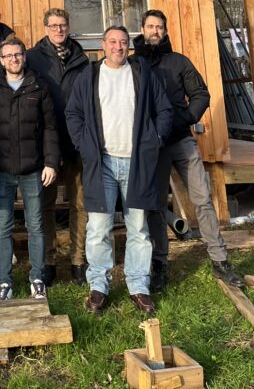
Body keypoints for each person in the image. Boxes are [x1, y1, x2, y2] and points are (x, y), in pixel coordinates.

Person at [133, 9, 246, 290]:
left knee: (202, 199)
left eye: (159, 27)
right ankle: (159, 263)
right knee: (157, 206)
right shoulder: (134, 64)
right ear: (142, 29)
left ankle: (219, 260)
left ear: (165, 31)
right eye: (150, 26)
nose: (155, 31)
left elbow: (201, 94)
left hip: (182, 140)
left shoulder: (179, 62)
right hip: (153, 145)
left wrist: (185, 118)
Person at [65, 25, 173, 316]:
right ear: (103, 45)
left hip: (136, 163)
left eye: (123, 42)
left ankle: (138, 285)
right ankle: (98, 285)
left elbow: (164, 110)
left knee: (138, 227)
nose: (118, 47)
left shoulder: (142, 73)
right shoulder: (89, 76)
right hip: (102, 162)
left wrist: (155, 139)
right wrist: (84, 145)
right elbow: (73, 113)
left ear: (129, 46)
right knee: (98, 227)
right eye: (112, 42)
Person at [0, 36, 59, 301]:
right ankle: (4, 282)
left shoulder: (38, 86)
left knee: (36, 225)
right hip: (1, 170)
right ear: (1, 61)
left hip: (33, 169)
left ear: (24, 57)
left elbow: (50, 128)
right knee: (3, 227)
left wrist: (51, 162)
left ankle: (37, 278)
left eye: (18, 55)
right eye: (9, 55)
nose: (14, 59)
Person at [27, 7, 89, 285]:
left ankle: (78, 260)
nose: (58, 30)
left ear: (68, 27)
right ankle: (48, 260)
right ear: (45, 28)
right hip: (47, 142)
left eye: (62, 25)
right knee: (46, 204)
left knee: (80, 202)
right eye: (53, 26)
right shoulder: (33, 57)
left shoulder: (81, 58)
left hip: (77, 139)